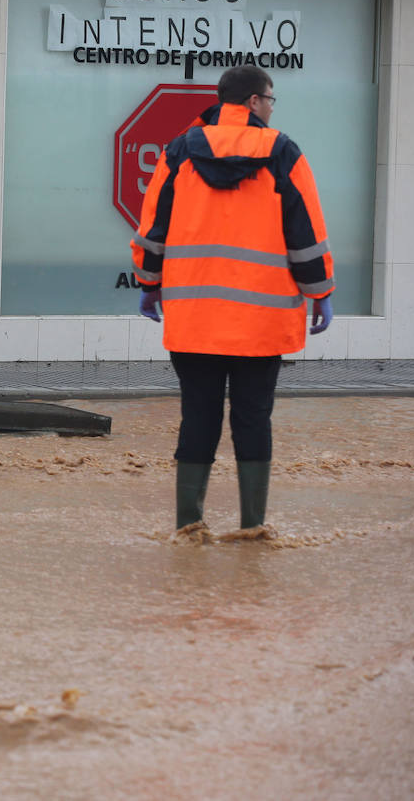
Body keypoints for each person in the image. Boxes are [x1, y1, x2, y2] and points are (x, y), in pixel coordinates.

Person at [130, 65, 335, 539]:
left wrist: (149, 283)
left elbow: (153, 225)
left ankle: (188, 526)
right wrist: (319, 292)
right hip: (261, 321)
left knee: (198, 414)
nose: (270, 106)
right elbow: (306, 232)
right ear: (252, 102)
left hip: (194, 316)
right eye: (269, 98)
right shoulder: (284, 152)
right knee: (252, 416)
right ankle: (253, 528)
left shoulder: (180, 151)